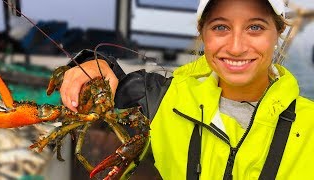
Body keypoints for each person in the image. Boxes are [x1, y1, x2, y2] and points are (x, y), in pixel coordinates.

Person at [60, 0, 314, 179]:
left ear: (278, 32)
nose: (237, 47)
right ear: (202, 33)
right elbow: (113, 91)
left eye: (255, 27)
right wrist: (94, 63)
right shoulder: (160, 98)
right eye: (221, 27)